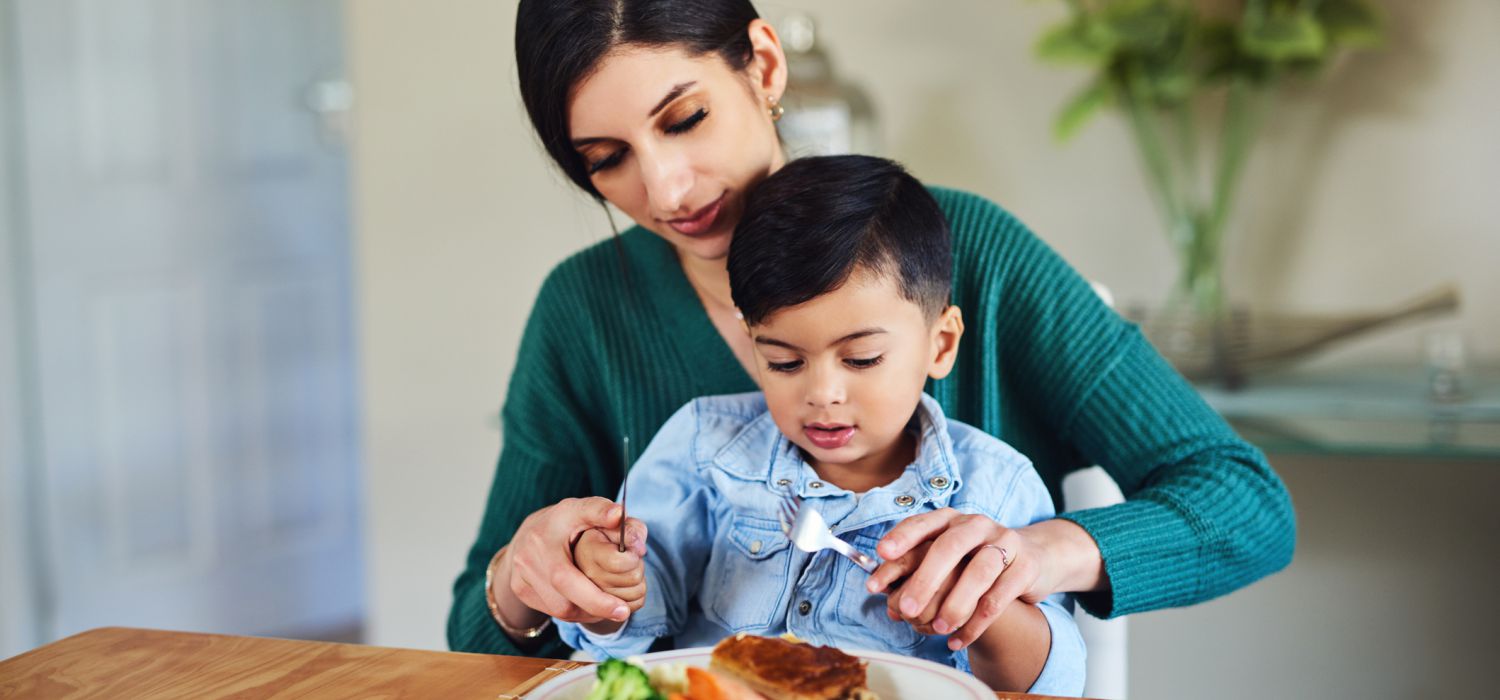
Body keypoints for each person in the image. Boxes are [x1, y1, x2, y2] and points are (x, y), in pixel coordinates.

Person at [449, 0, 1295, 661]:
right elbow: (474, 634)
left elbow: (1245, 502)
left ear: (765, 66)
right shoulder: (583, 310)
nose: (667, 189)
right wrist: (526, 580)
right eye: (608, 159)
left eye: (685, 119)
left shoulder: (977, 256)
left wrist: (1039, 555)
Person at [556, 155, 1085, 694]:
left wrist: (981, 612)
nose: (822, 394)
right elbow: (624, 636)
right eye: (784, 362)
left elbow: (1053, 682)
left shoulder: (996, 487)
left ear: (941, 344)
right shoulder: (703, 447)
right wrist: (604, 589)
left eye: (861, 360)